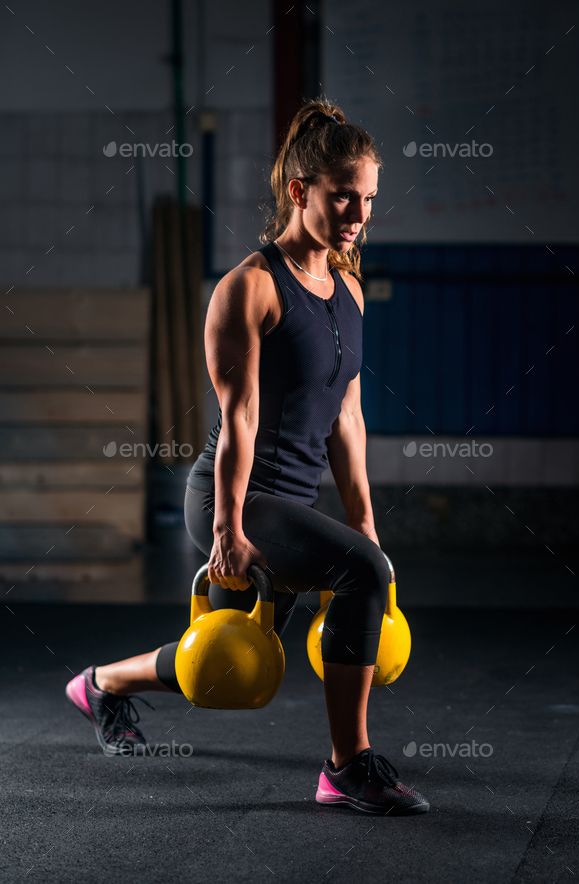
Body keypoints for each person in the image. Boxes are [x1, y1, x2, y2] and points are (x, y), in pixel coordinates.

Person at [66, 97, 430, 816]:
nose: (359, 214)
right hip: (232, 496)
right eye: (344, 196)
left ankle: (99, 684)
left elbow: (347, 417)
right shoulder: (251, 287)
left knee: (228, 653)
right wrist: (229, 529)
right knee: (362, 575)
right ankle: (346, 766)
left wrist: (363, 518)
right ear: (300, 190)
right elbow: (239, 418)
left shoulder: (350, 289)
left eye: (368, 199)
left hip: (288, 502)